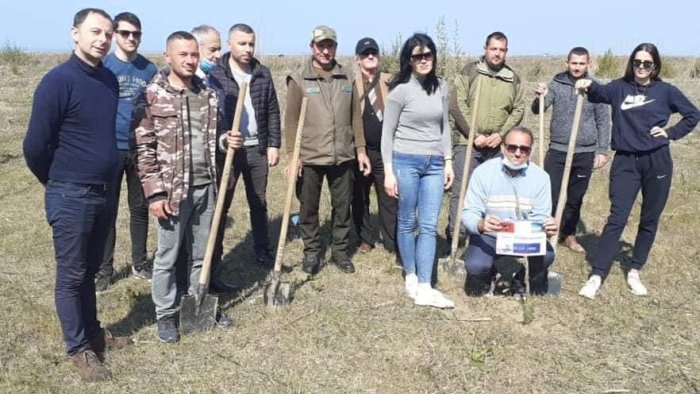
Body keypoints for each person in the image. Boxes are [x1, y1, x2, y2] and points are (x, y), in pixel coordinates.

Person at [23, 8, 132, 382]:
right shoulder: (58, 82)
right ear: (75, 34)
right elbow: (35, 146)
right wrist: (58, 182)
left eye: (108, 33)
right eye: (95, 32)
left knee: (89, 272)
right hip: (70, 194)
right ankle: (79, 349)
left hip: (104, 192)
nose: (102, 38)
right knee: (71, 276)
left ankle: (94, 333)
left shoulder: (108, 80)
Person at [131, 31, 240, 343]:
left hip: (207, 185)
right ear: (168, 56)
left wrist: (225, 141)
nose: (191, 60)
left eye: (194, 54)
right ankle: (166, 314)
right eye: (183, 55)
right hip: (173, 190)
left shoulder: (208, 92)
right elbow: (145, 148)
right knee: (167, 255)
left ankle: (199, 302)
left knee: (201, 253)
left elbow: (210, 138)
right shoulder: (153, 95)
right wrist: (154, 193)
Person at [576, 43, 699, 299]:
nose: (641, 67)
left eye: (647, 63)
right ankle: (597, 274)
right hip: (625, 162)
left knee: (650, 218)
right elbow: (600, 93)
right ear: (631, 63)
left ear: (655, 66)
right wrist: (587, 83)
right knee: (617, 217)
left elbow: (692, 114)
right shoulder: (620, 87)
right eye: (637, 62)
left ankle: (635, 270)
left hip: (657, 161)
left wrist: (671, 133)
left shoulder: (666, 91)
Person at [285, 25, 370, 275]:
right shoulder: (299, 79)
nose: (325, 50)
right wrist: (293, 155)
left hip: (342, 154)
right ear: (312, 47)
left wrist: (361, 149)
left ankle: (340, 252)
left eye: (330, 45)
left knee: (342, 206)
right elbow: (290, 120)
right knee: (308, 207)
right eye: (320, 45)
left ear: (335, 47)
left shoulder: (347, 77)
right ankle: (312, 251)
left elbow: (356, 116)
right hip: (310, 155)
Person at [382, 33, 454, 308]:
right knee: (407, 221)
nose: (423, 60)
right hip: (405, 161)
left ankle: (425, 284)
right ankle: (410, 274)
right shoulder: (399, 91)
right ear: (409, 60)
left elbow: (444, 126)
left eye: (428, 55)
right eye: (417, 56)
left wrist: (448, 161)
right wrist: (389, 171)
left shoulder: (442, 87)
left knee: (428, 224)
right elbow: (387, 134)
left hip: (434, 163)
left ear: (434, 56)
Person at [209, 23, 281, 270]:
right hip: (228, 150)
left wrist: (273, 144)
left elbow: (272, 110)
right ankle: (214, 255)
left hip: (256, 149)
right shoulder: (217, 74)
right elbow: (210, 115)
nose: (248, 48)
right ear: (230, 44)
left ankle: (262, 249)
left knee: (258, 202)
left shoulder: (262, 73)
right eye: (242, 43)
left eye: (251, 43)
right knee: (222, 202)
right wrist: (222, 138)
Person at [95, 11, 158, 292]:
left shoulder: (149, 69)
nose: (131, 38)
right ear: (115, 35)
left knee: (140, 207)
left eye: (136, 34)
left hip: (141, 147)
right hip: (110, 147)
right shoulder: (103, 66)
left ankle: (140, 262)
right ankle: (104, 269)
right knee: (107, 210)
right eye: (125, 33)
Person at [461, 126, 559, 296]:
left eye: (524, 149)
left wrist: (547, 228)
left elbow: (541, 216)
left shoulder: (541, 177)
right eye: (512, 147)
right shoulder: (483, 173)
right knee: (475, 265)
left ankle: (522, 278)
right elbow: (469, 212)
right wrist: (480, 224)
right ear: (503, 147)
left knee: (547, 256)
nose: (517, 153)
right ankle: (489, 274)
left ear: (530, 151)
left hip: (524, 237)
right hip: (491, 235)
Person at [447, 31, 525, 244]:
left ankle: (484, 240)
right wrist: (474, 134)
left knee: (492, 194)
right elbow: (456, 103)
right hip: (468, 143)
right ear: (485, 49)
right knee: (462, 191)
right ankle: (455, 237)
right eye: (494, 49)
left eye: (502, 50)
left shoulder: (512, 78)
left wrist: (501, 135)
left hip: (495, 147)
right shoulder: (470, 72)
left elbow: (518, 110)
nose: (497, 54)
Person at [531, 47, 611, 253]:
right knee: (550, 194)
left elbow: (603, 121)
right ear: (567, 63)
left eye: (581, 63)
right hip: (558, 149)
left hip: (584, 152)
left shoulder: (596, 89)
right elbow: (538, 109)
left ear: (588, 64)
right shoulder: (557, 85)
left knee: (575, 197)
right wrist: (540, 96)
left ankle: (568, 234)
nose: (577, 67)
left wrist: (602, 150)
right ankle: (545, 232)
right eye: (573, 63)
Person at [350, 37, 398, 258]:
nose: (370, 57)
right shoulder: (351, 82)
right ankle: (365, 238)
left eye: (374, 53)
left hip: (385, 150)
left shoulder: (391, 81)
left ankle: (392, 240)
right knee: (359, 196)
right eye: (365, 54)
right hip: (360, 150)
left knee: (389, 196)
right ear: (358, 58)